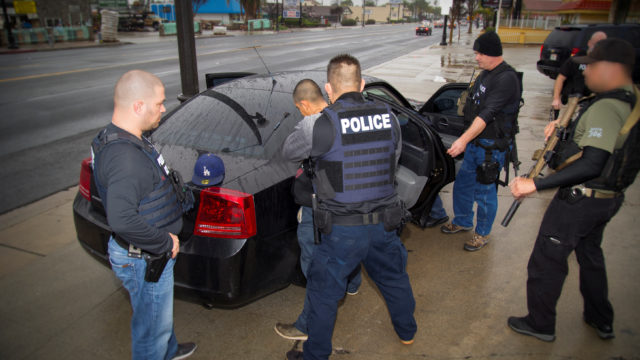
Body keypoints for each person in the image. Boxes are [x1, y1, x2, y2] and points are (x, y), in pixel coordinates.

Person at [282, 55, 417, 360]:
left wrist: (307, 122)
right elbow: (392, 162)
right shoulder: (389, 117)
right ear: (362, 84)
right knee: (395, 279)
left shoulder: (318, 124)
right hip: (385, 223)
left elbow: (288, 152)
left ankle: (314, 354)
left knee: (323, 293)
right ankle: (407, 333)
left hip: (342, 230)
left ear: (329, 88)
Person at [508, 38, 638, 342]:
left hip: (581, 200)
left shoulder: (607, 107)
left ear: (611, 69)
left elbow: (593, 162)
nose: (586, 73)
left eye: (591, 66)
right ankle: (600, 318)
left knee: (547, 260)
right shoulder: (630, 98)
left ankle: (540, 324)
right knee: (590, 255)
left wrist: (535, 184)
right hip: (608, 197)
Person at [91, 70, 197, 360]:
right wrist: (165, 242)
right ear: (138, 106)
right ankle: (159, 350)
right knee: (150, 331)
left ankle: (170, 349)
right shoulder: (126, 158)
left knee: (155, 316)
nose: (164, 108)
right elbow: (122, 219)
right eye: (159, 103)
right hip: (144, 256)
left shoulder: (118, 136)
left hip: (146, 253)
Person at [276, 79, 362, 342]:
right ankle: (352, 283)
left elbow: (288, 152)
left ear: (304, 104)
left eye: (299, 109)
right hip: (350, 202)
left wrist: (302, 125)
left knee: (314, 263)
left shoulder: (311, 125)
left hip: (319, 205)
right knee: (346, 247)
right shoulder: (349, 115)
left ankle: (307, 326)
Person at [440, 31, 521, 251]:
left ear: (492, 53)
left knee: (485, 193)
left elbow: (487, 114)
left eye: (479, 53)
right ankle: (462, 220)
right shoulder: (485, 73)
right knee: (463, 185)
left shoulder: (506, 79)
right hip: (476, 144)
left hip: (491, 148)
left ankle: (482, 233)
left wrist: (463, 140)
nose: (476, 57)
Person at [551, 31, 607, 111]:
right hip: (572, 100)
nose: (597, 46)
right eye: (595, 43)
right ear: (589, 43)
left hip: (593, 102)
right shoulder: (576, 59)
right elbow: (560, 78)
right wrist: (556, 98)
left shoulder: (607, 64)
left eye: (601, 44)